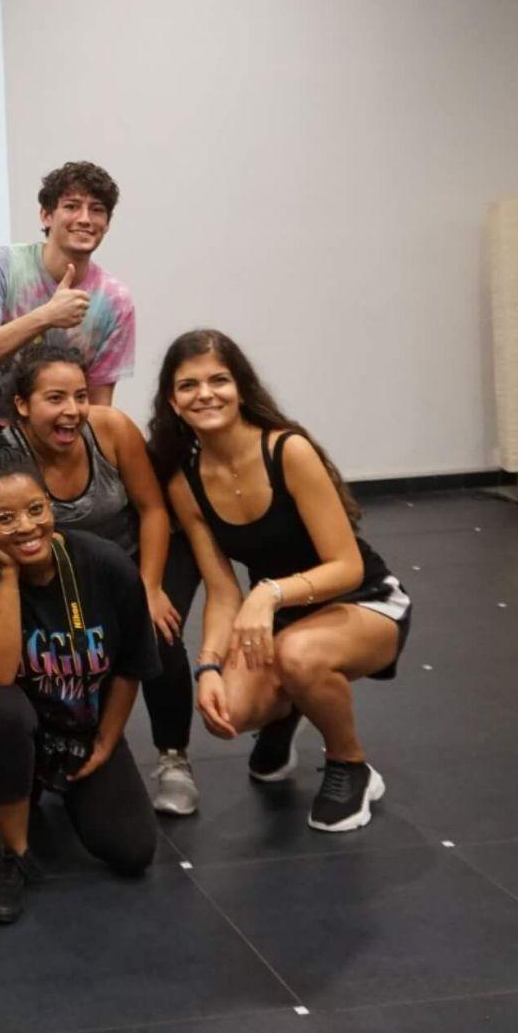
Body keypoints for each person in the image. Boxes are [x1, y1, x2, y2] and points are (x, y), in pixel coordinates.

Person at [149, 329, 412, 833]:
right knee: (230, 712)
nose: (205, 393)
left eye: (219, 380)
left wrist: (269, 594)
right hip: (286, 618)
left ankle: (350, 766)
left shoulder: (287, 449)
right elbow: (224, 591)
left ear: (241, 388)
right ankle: (291, 705)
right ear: (173, 402)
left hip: (367, 603)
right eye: (188, 385)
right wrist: (206, 667)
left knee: (296, 655)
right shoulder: (185, 479)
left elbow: (346, 566)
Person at [0, 450, 161, 924]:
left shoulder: (105, 564)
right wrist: (6, 575)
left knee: (133, 851)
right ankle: (15, 853)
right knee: (5, 712)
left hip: (78, 722)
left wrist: (106, 741)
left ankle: (46, 775)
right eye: (5, 519)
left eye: (35, 509)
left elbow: (131, 664)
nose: (25, 527)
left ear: (50, 506)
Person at [1, 342, 202, 816]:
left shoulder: (109, 429)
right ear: (22, 405)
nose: (72, 410)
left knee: (159, 634)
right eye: (55, 398)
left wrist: (148, 589)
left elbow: (153, 511)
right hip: (59, 573)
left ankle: (174, 759)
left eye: (80, 395)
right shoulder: (6, 456)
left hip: (135, 558)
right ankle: (47, 741)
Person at [0, 162, 136, 576]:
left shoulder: (114, 301)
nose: (85, 218)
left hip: (43, 437)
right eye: (71, 206)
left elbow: (97, 408)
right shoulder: (2, 266)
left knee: (42, 559)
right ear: (47, 215)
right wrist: (46, 316)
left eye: (97, 209)